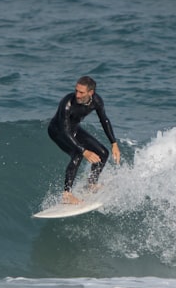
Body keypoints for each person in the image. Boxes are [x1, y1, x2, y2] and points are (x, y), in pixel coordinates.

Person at [47, 76, 121, 204]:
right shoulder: (67, 103)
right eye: (76, 91)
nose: (77, 95)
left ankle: (91, 184)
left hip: (74, 129)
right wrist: (84, 151)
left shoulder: (96, 101)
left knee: (103, 153)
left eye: (81, 92)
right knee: (77, 154)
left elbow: (104, 120)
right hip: (57, 132)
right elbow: (64, 131)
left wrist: (114, 143)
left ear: (90, 93)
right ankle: (67, 194)